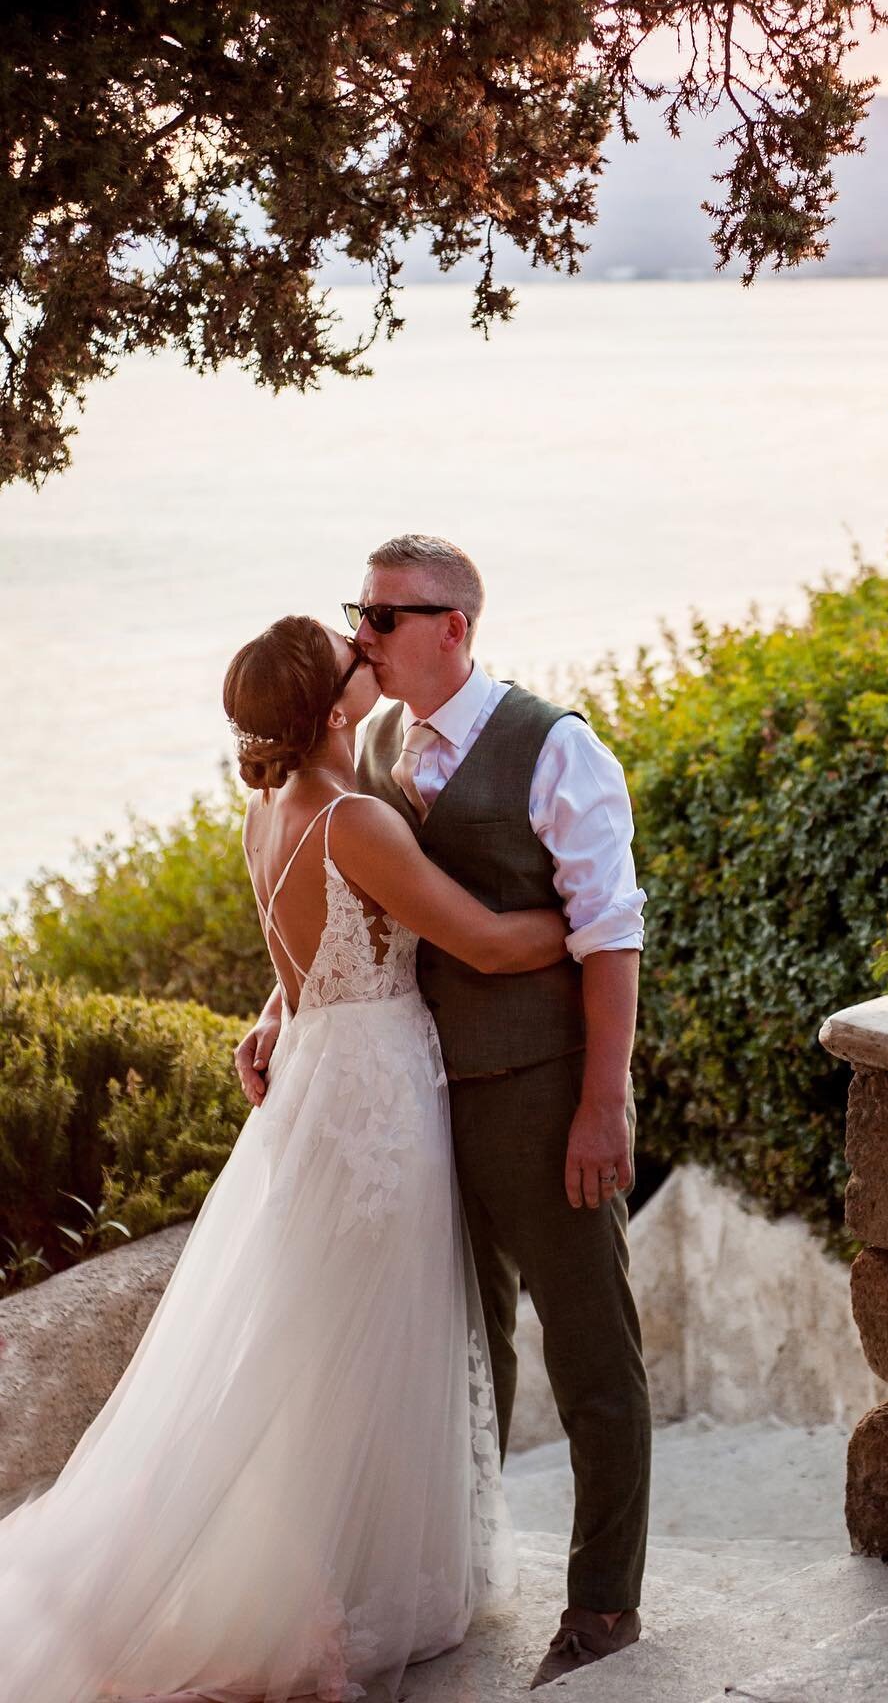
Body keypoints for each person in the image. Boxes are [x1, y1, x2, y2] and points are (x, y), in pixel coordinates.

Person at [0, 613, 569, 1703]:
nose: (370, 655)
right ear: (334, 704)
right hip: (375, 1100)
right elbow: (486, 942)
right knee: (371, 1340)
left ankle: (345, 1577)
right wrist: (591, 924)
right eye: (353, 656)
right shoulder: (353, 817)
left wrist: (272, 1013)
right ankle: (341, 1596)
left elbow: (309, 950)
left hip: (320, 1077)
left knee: (322, 1348)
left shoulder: (271, 808)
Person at [237, 534, 651, 1690]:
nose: (362, 635)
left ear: (451, 626)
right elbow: (354, 905)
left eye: (381, 616)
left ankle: (605, 1607)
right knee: (465, 1351)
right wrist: (284, 1002)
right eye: (355, 616)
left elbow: (612, 932)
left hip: (535, 1095)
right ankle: (459, 1574)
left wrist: (601, 1103)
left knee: (592, 1353)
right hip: (411, 1107)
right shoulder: (368, 742)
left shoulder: (557, 747)